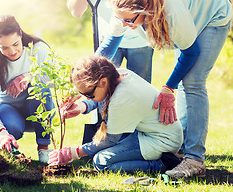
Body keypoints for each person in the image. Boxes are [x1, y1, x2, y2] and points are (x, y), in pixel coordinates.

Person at [97, 0, 232, 178]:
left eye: (129, 21)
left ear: (145, 10)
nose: (124, 24)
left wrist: (168, 88)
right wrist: (85, 77)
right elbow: (109, 45)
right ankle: (181, 149)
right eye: (120, 19)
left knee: (193, 82)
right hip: (188, 18)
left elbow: (191, 52)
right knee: (184, 80)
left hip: (212, 15)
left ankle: (194, 159)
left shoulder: (170, 11)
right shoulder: (124, 8)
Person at [48, 56, 183, 174]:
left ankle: (162, 164)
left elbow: (109, 141)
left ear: (103, 82)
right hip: (150, 132)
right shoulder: (118, 75)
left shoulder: (122, 97)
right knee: (103, 153)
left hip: (162, 141)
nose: (87, 98)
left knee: (101, 161)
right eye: (83, 94)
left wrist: (72, 153)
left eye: (88, 94)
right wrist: (80, 108)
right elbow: (100, 98)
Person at [0, 15, 55, 163]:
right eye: (4, 48)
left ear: (20, 34)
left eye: (15, 44)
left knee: (39, 88)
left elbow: (54, 81)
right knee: (11, 127)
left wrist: (29, 77)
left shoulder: (38, 49)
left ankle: (43, 151)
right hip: (10, 111)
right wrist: (2, 133)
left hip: (39, 110)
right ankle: (13, 153)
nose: (12, 51)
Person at [66, 0, 154, 83]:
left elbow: (132, 1)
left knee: (140, 86)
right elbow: (76, 11)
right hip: (108, 35)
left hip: (137, 38)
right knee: (105, 86)